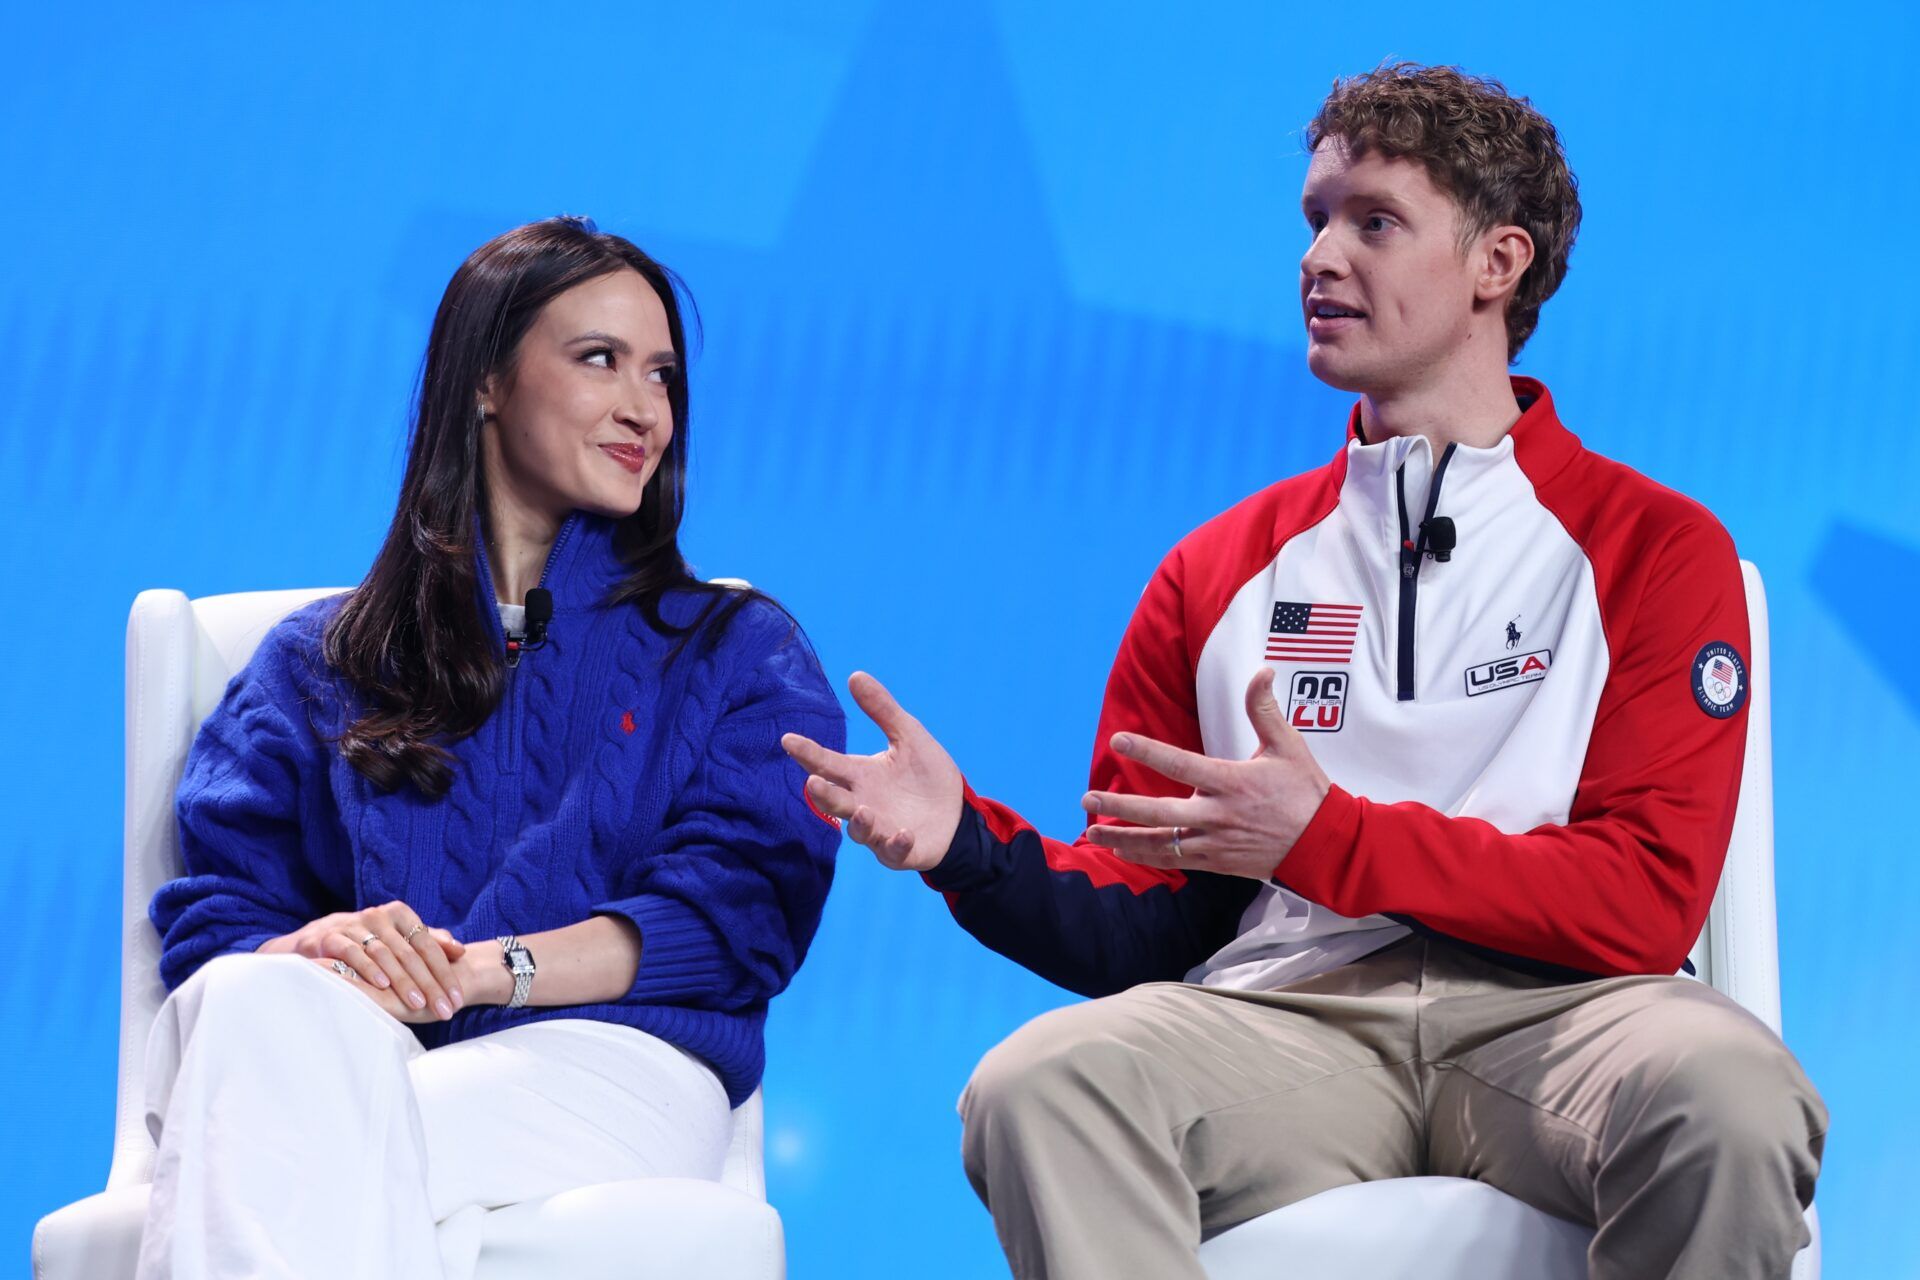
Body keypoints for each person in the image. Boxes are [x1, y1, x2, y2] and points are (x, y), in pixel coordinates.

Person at [783, 64, 1825, 1280]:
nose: (1321, 257)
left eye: (1373, 220)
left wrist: (1323, 835)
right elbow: (1148, 922)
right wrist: (970, 845)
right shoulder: (1215, 571)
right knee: (1038, 1085)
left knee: (1734, 1093)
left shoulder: (1653, 543)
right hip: (1290, 1019)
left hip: (1571, 1019)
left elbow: (1641, 898)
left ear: (1499, 262)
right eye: (1314, 219)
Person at [140, 216, 845, 1278]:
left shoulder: (736, 652)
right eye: (599, 358)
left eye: (661, 373)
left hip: (614, 1062)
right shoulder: (315, 662)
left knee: (285, 1143)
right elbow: (221, 921)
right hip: (359, 1050)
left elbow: (729, 920)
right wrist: (331, 948)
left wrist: (481, 971)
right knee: (253, 1008)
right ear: (485, 379)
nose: (642, 407)